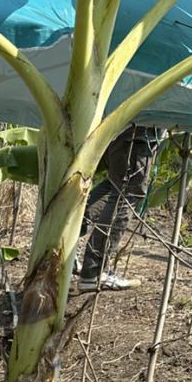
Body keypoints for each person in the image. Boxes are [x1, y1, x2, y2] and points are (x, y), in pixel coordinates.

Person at [76, 124, 166, 292]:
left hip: (121, 134)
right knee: (127, 193)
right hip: (137, 138)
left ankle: (67, 245)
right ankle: (93, 271)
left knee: (113, 185)